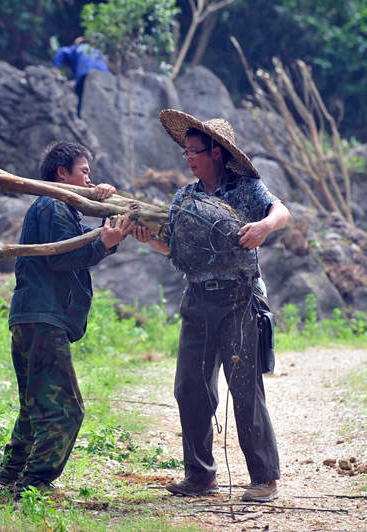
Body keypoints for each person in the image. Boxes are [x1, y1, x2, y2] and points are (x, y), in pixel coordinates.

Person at [133, 109, 291, 502]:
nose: (188, 158)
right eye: (185, 151)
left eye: (195, 151)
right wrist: (148, 241)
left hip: (240, 298)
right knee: (190, 387)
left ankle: (264, 478)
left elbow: (281, 210)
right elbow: (176, 248)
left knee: (245, 389)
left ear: (217, 153)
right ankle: (200, 475)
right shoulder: (184, 199)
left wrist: (264, 227)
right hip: (198, 299)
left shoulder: (247, 189)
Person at [0, 141, 135, 494]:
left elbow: (74, 245)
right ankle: (34, 487)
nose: (90, 179)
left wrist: (108, 216)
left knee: (34, 409)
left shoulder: (57, 207)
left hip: (29, 318)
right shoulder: (54, 204)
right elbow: (63, 256)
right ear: (62, 173)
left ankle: (7, 481)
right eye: (84, 172)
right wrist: (105, 242)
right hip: (44, 320)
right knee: (66, 410)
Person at [52, 37, 109, 118]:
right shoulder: (96, 51)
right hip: (104, 77)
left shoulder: (78, 48)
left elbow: (63, 51)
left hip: (85, 74)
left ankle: (80, 118)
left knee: (81, 100)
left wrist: (55, 67)